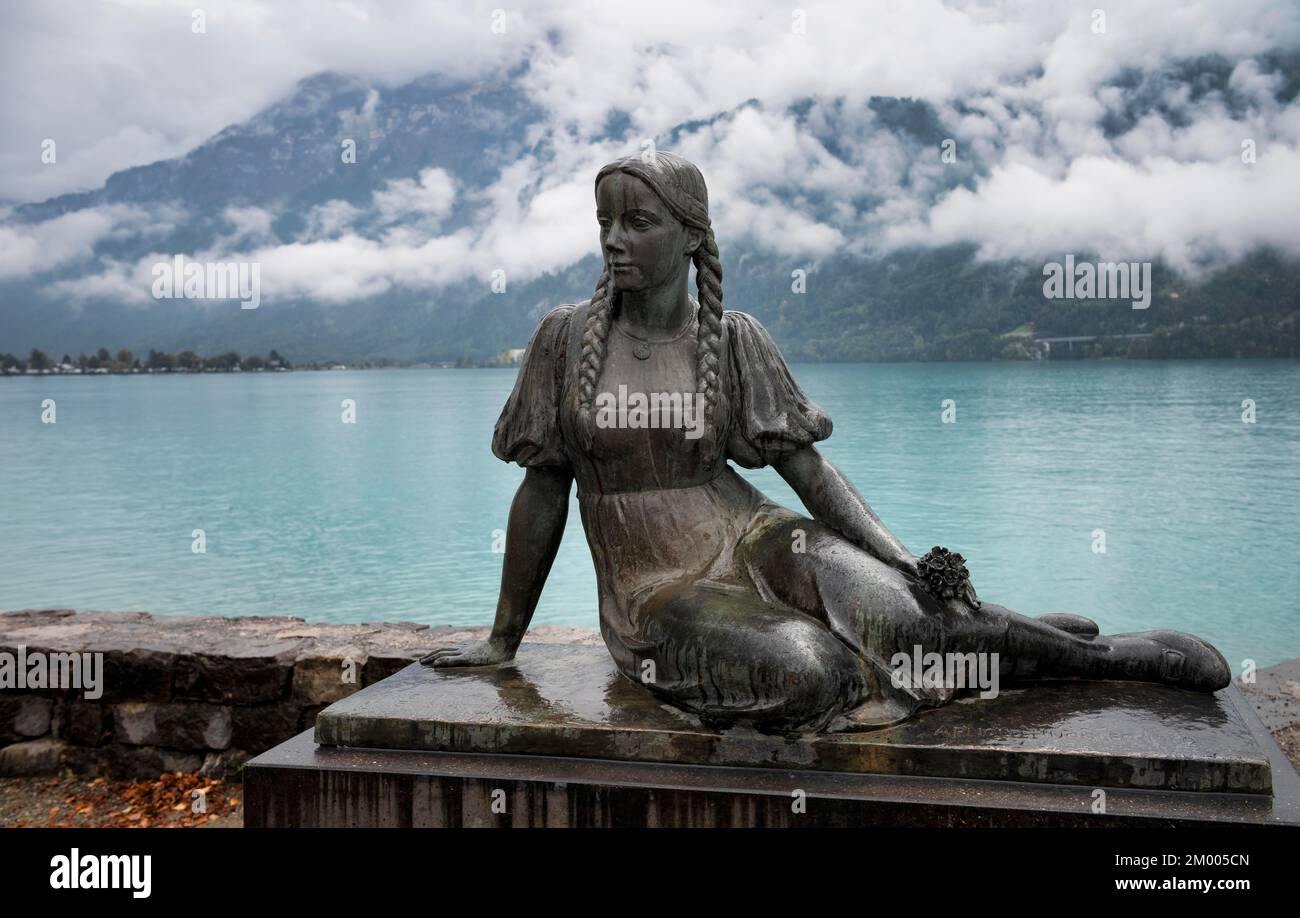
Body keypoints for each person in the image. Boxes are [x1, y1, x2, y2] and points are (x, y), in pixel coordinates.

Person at [423, 151, 1230, 733]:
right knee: (812, 674)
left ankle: (1104, 658)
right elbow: (542, 491)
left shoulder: (733, 339)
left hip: (756, 531)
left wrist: (898, 554)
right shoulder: (564, 341)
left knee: (905, 614)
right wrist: (502, 639)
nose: (613, 240)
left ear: (689, 235)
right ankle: (1004, 646)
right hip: (657, 588)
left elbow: (805, 470)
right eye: (605, 222)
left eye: (637, 222)